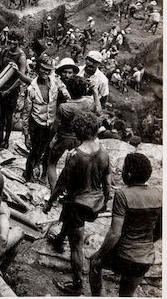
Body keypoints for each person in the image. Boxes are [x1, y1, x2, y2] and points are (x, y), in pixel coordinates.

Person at [43, 112, 111, 295]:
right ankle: (59, 240)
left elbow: (61, 184)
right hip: (94, 202)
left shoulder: (75, 155)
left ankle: (77, 284)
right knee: (70, 221)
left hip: (77, 204)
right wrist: (106, 199)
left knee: (77, 246)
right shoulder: (103, 151)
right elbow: (107, 181)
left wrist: (50, 202)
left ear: (78, 131)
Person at [89, 152, 162, 297]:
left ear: (128, 174)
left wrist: (99, 256)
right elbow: (159, 231)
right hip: (145, 258)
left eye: (123, 169)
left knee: (94, 263)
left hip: (124, 255)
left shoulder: (123, 194)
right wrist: (144, 244)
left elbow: (115, 233)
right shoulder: (159, 194)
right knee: (126, 294)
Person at [47, 76, 100, 191]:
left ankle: (54, 191)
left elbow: (55, 127)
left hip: (64, 137)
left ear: (69, 90)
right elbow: (99, 111)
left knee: (51, 163)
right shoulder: (88, 103)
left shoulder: (63, 107)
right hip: (79, 138)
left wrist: (50, 139)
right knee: (77, 165)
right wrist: (95, 93)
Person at [21, 56, 70, 182]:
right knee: (35, 152)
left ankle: (43, 175)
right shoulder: (31, 89)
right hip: (37, 124)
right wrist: (26, 135)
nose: (46, 72)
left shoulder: (55, 81)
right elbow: (26, 113)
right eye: (43, 69)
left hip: (51, 124)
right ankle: (28, 176)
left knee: (48, 151)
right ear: (38, 69)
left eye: (49, 70)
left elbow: (65, 93)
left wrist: (67, 99)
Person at [0, 30, 27, 149]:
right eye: (10, 39)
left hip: (12, 91)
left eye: (14, 40)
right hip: (1, 88)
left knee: (9, 117)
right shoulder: (5, 51)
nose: (11, 42)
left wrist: (8, 91)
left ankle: (6, 140)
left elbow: (21, 78)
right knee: (1, 114)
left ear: (19, 41)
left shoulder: (21, 57)